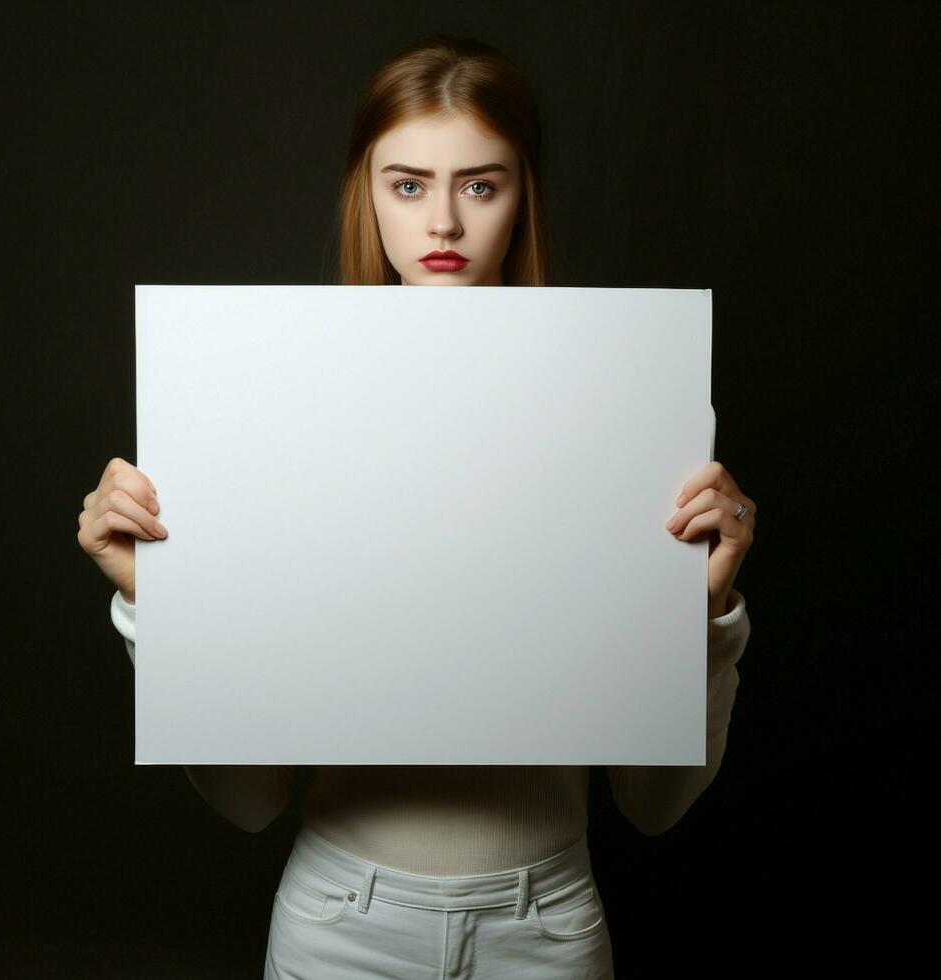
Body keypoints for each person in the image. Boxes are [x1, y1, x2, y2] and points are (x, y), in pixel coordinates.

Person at [77, 33, 755, 980]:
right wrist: (157, 604)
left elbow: (654, 803)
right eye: (407, 184)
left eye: (481, 184)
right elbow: (249, 799)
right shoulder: (273, 413)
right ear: (368, 194)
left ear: (523, 200)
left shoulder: (625, 414)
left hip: (548, 925)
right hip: (339, 924)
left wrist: (709, 617)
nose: (443, 221)